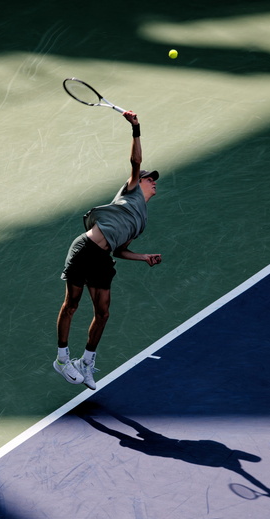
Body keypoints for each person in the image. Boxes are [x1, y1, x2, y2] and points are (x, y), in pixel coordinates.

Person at [53, 110, 161, 390]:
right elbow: (135, 160)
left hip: (102, 258)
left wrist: (142, 256)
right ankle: (62, 359)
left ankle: (86, 362)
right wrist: (136, 128)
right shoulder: (131, 189)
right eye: (150, 178)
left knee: (103, 313)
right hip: (85, 248)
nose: (153, 181)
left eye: (152, 180)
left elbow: (119, 250)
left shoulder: (141, 222)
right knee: (72, 304)